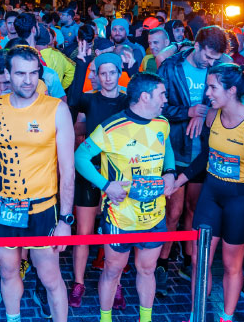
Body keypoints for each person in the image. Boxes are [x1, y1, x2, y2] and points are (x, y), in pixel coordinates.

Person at [0, 45, 75, 322]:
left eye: (33, 73)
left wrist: (66, 220)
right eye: (20, 73)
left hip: (43, 209)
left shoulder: (56, 109)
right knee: (8, 272)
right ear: (7, 74)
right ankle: (13, 318)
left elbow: (68, 170)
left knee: (50, 278)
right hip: (4, 207)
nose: (28, 80)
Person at [74, 72, 176, 322]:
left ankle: (146, 318)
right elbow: (80, 158)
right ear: (145, 96)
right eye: (162, 94)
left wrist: (171, 172)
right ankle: (105, 318)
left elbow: (167, 147)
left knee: (147, 269)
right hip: (120, 218)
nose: (165, 99)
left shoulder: (162, 123)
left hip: (154, 216)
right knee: (112, 270)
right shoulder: (111, 127)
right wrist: (106, 185)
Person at [173, 64, 244, 322]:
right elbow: (205, 156)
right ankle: (197, 316)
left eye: (213, 87)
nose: (207, 93)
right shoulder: (211, 116)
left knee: (231, 265)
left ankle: (226, 317)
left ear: (232, 90)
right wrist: (177, 181)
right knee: (198, 260)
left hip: (242, 200)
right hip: (211, 194)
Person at [156, 25, 228, 294]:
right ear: (196, 46)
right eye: (208, 57)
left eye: (215, 59)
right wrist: (188, 111)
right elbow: (158, 107)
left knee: (193, 210)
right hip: (176, 148)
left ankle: (188, 260)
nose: (211, 63)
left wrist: (204, 111)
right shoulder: (171, 67)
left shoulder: (218, 69)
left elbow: (223, 102)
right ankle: (163, 262)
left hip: (204, 151)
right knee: (172, 212)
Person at [67, 50, 128, 308]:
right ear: (98, 76)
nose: (108, 78)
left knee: (115, 234)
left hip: (119, 175)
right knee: (84, 232)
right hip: (90, 173)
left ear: (119, 73)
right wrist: (81, 64)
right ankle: (78, 283)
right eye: (103, 73)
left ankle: (115, 283)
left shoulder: (129, 100)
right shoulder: (90, 100)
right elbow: (70, 100)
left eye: (113, 72)